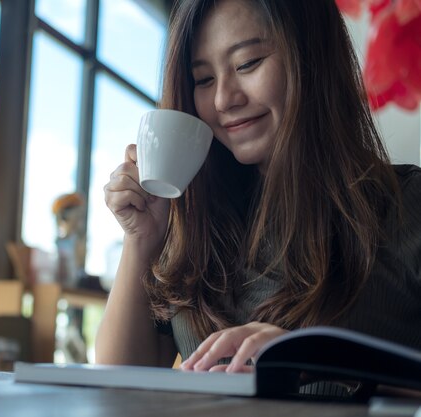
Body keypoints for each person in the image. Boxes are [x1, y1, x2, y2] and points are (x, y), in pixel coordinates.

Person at [96, 0, 421, 381]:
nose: (222, 100)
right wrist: (141, 241)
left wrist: (319, 359)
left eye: (247, 63)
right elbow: (118, 382)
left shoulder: (406, 207)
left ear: (311, 56)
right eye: (203, 79)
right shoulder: (194, 222)